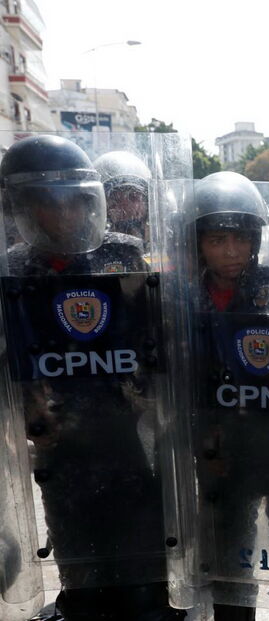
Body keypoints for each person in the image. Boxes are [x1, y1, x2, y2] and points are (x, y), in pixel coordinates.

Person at [0, 134, 181, 619]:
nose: (63, 216)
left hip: (134, 442)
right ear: (23, 210)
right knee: (84, 582)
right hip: (62, 452)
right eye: (47, 204)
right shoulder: (13, 269)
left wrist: (154, 400)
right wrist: (27, 406)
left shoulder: (127, 255)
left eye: (74, 203)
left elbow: (164, 339)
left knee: (145, 583)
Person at [188, 171, 269, 621]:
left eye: (241, 239)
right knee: (228, 562)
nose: (231, 251)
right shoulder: (182, 295)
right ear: (197, 244)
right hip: (222, 448)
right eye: (217, 240)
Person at [94, 150, 153, 241]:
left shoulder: (161, 246)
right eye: (115, 200)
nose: (126, 207)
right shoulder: (92, 245)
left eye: (133, 197)